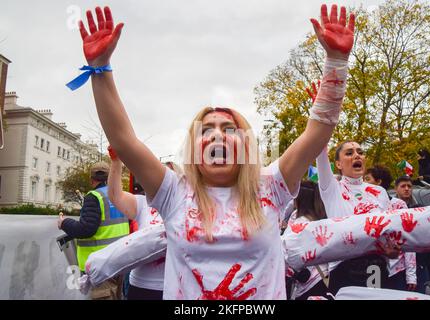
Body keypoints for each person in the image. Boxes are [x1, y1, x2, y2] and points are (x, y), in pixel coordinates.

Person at [72, 4, 355, 299]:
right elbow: (123, 139)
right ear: (195, 149)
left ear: (246, 146)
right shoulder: (174, 192)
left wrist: (336, 62)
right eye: (206, 130)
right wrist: (100, 69)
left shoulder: (271, 186)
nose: (217, 134)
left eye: (229, 129)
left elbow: (318, 130)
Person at [315, 141, 402, 294]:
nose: (357, 155)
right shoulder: (332, 188)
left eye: (360, 152)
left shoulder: (379, 192)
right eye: (349, 153)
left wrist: (393, 252)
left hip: (376, 266)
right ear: (338, 164)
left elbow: (389, 231)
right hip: (345, 267)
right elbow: (319, 148)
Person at [58, 161, 130, 300]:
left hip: (101, 266)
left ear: (92, 180)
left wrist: (64, 223)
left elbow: (85, 229)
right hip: (119, 262)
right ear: (110, 177)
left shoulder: (94, 196)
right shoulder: (121, 196)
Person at [107, 146, 166, 300]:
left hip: (174, 286)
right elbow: (115, 196)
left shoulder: (185, 206)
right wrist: (116, 162)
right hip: (141, 286)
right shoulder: (142, 204)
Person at [365, 165, 417, 291]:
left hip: (397, 269)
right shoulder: (364, 206)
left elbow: (407, 240)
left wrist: (411, 275)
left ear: (378, 182)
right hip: (373, 268)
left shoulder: (398, 205)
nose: (363, 183)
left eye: (367, 179)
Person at [288, 180, 329, 300]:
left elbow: (288, 254)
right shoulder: (322, 220)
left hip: (308, 282)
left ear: (299, 199)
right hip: (323, 277)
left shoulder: (300, 224)